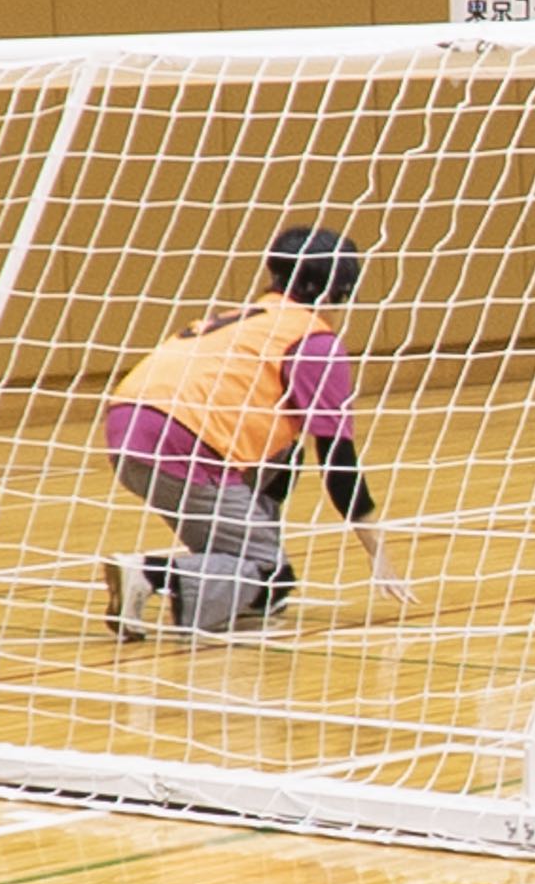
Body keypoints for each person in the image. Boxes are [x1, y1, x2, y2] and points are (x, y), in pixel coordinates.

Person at [101, 226, 398, 635]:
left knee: (285, 454)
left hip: (127, 423)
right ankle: (151, 574)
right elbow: (338, 460)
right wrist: (377, 549)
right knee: (271, 577)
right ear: (340, 289)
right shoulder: (313, 340)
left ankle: (225, 573)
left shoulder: (246, 319)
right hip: (184, 440)